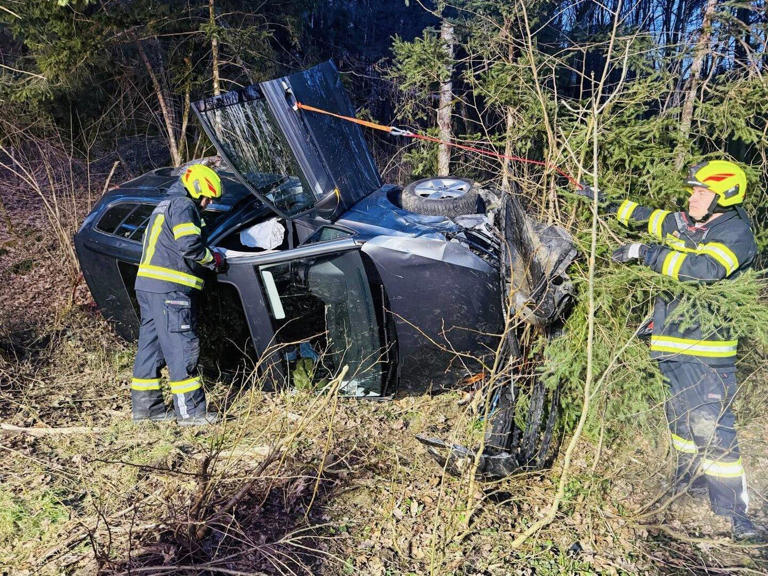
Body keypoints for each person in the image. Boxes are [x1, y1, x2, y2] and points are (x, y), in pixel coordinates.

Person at [583, 160, 759, 541]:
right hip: (669, 347)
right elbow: (647, 217)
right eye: (693, 190)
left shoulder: (735, 234)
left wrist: (645, 253)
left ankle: (735, 516)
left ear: (724, 196)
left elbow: (704, 270)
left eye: (701, 192)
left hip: (706, 353)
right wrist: (601, 200)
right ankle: (688, 485)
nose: (692, 197)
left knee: (712, 429)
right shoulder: (688, 224)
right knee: (680, 425)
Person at [130, 163, 227, 426]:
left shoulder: (165, 204)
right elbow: (190, 247)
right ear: (196, 189)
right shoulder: (184, 206)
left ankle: (146, 410)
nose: (208, 203)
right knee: (181, 347)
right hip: (171, 289)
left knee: (150, 348)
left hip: (148, 287)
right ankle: (191, 413)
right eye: (207, 198)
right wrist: (214, 259)